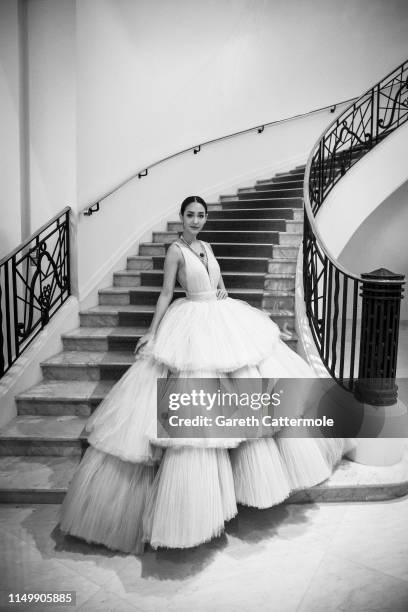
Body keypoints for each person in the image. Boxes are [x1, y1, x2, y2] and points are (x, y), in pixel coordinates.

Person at [58, 196, 344, 553]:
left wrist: (221, 290)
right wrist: (152, 330)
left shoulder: (208, 245)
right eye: (191, 215)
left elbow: (215, 282)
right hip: (191, 322)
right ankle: (198, 505)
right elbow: (165, 293)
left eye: (201, 215)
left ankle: (241, 485)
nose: (196, 220)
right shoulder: (175, 251)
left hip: (220, 316)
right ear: (180, 217)